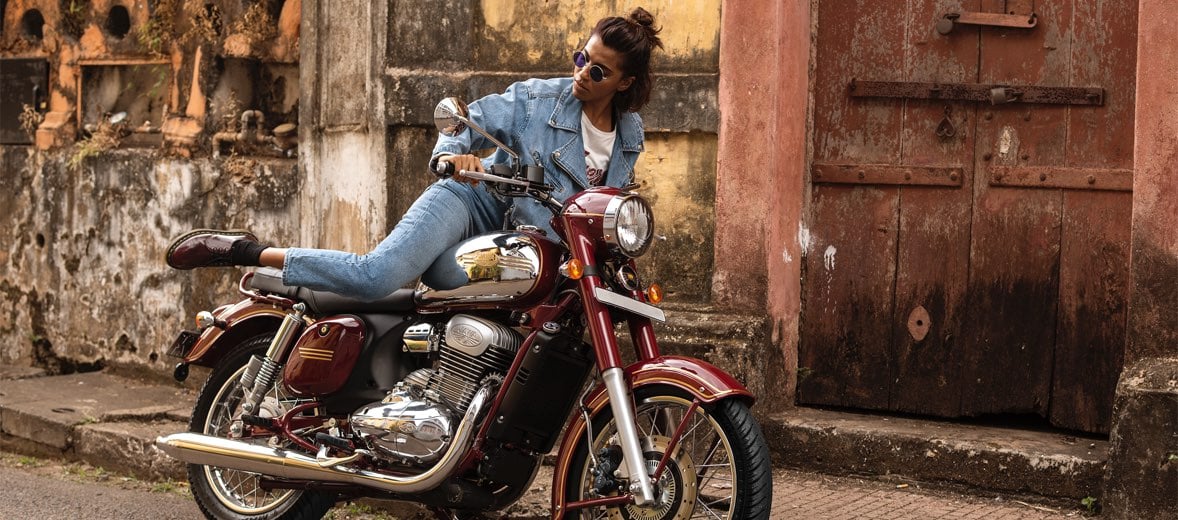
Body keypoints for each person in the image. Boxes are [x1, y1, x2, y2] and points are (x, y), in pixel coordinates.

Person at [166, 7, 663, 301]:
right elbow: (461, 119)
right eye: (582, 58)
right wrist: (454, 157)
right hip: (473, 205)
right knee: (379, 276)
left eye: (597, 72)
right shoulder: (539, 99)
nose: (581, 73)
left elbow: (603, 210)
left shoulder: (630, 137)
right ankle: (245, 251)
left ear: (625, 83)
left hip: (533, 253)